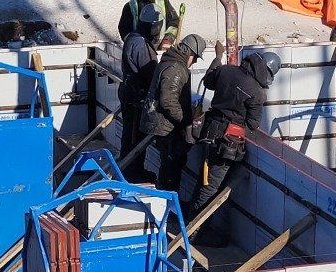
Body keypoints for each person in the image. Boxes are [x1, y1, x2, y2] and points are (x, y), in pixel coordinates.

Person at [192, 44, 280, 214]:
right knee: (211, 187)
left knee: (204, 180)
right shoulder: (257, 93)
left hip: (208, 131)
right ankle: (193, 231)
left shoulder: (225, 71)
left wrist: (218, 58)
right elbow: (253, 125)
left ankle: (190, 220)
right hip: (226, 142)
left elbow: (208, 81)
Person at [142, 32, 204, 190]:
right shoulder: (176, 68)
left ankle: (169, 203)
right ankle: (169, 206)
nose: (195, 61)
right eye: (195, 57)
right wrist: (186, 121)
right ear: (189, 52)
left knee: (170, 166)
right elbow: (168, 101)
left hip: (164, 124)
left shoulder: (171, 62)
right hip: (166, 127)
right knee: (170, 168)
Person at [118, 25, 158, 163]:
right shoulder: (141, 45)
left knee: (129, 134)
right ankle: (132, 171)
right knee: (135, 136)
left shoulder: (132, 38)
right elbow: (151, 74)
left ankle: (130, 167)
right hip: (136, 97)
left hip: (128, 92)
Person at [119, 0, 184, 46]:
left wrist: (168, 39)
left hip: (161, 48)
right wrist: (133, 43)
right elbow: (123, 29)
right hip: (140, 48)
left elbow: (174, 22)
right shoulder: (130, 6)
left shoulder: (163, 2)